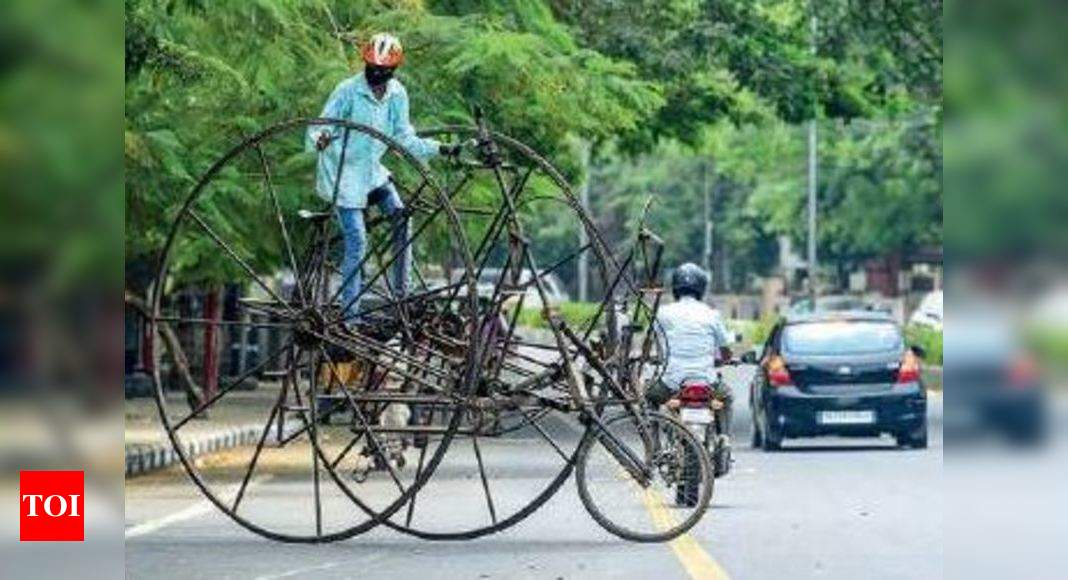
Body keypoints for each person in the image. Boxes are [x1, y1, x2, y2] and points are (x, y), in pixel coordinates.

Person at [307, 33, 464, 325]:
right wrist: (321, 138)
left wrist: (440, 148)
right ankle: (350, 316)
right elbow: (320, 126)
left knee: (403, 218)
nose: (375, 75)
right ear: (365, 63)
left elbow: (405, 138)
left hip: (371, 172)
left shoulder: (397, 95)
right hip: (342, 174)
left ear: (393, 71)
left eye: (382, 71)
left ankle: (401, 296)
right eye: (371, 68)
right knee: (357, 240)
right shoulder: (347, 90)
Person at [650, 263, 735, 434]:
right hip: (707, 381)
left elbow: (655, 343)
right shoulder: (712, 314)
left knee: (649, 397)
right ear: (701, 288)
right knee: (727, 397)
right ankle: (723, 440)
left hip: (671, 382)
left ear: (675, 287)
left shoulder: (663, 313)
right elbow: (725, 350)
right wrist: (723, 359)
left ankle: (653, 444)